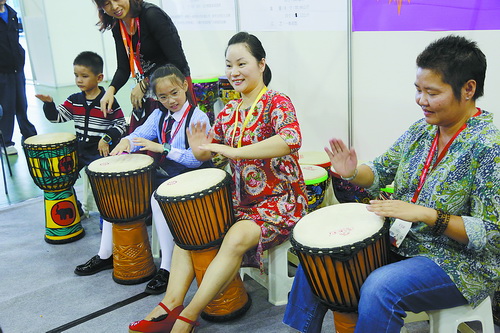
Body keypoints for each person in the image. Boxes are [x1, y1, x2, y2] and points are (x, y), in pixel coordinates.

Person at [283, 35, 500, 333]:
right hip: (403, 241)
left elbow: (491, 234)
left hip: (458, 263)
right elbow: (380, 171)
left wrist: (427, 215)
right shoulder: (422, 130)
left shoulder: (489, 146)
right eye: (418, 90)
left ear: (468, 89)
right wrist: (351, 172)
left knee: (380, 287)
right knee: (322, 257)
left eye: (432, 92)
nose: (421, 100)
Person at [128, 31, 308, 333]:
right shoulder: (227, 112)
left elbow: (291, 139)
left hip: (280, 200)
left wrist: (236, 151)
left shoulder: (277, 101)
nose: (234, 72)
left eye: (241, 63)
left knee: (235, 237)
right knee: (191, 229)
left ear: (261, 64)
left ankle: (188, 316)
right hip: (239, 201)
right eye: (229, 65)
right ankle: (170, 304)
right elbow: (210, 154)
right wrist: (200, 148)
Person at [74, 64, 212, 295]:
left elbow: (195, 160)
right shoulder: (159, 115)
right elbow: (139, 135)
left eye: (175, 93)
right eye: (163, 97)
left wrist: (163, 148)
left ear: (185, 86)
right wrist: (127, 142)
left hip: (193, 179)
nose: (170, 101)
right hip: (167, 175)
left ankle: (167, 267)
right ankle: (105, 254)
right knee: (116, 188)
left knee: (158, 198)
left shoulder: (198, 118)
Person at [35, 51, 127, 215]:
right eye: (76, 75)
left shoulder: (108, 100)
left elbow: (120, 123)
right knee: (62, 176)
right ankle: (75, 210)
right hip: (80, 148)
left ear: (99, 78)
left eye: (84, 76)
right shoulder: (74, 99)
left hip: (100, 150)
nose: (78, 80)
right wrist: (49, 104)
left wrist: (106, 138)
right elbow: (57, 117)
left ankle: (106, 216)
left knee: (101, 183)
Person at [91, 0, 194, 132]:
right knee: (140, 141)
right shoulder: (118, 24)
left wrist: (145, 83)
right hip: (150, 88)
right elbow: (123, 68)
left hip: (174, 87)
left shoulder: (152, 15)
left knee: (175, 141)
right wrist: (110, 91)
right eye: (106, 3)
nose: (114, 6)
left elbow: (177, 61)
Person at [0, 0, 37, 155]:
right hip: (2, 70)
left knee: (22, 103)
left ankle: (28, 135)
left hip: (17, 67)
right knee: (7, 106)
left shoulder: (12, 13)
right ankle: (6, 142)